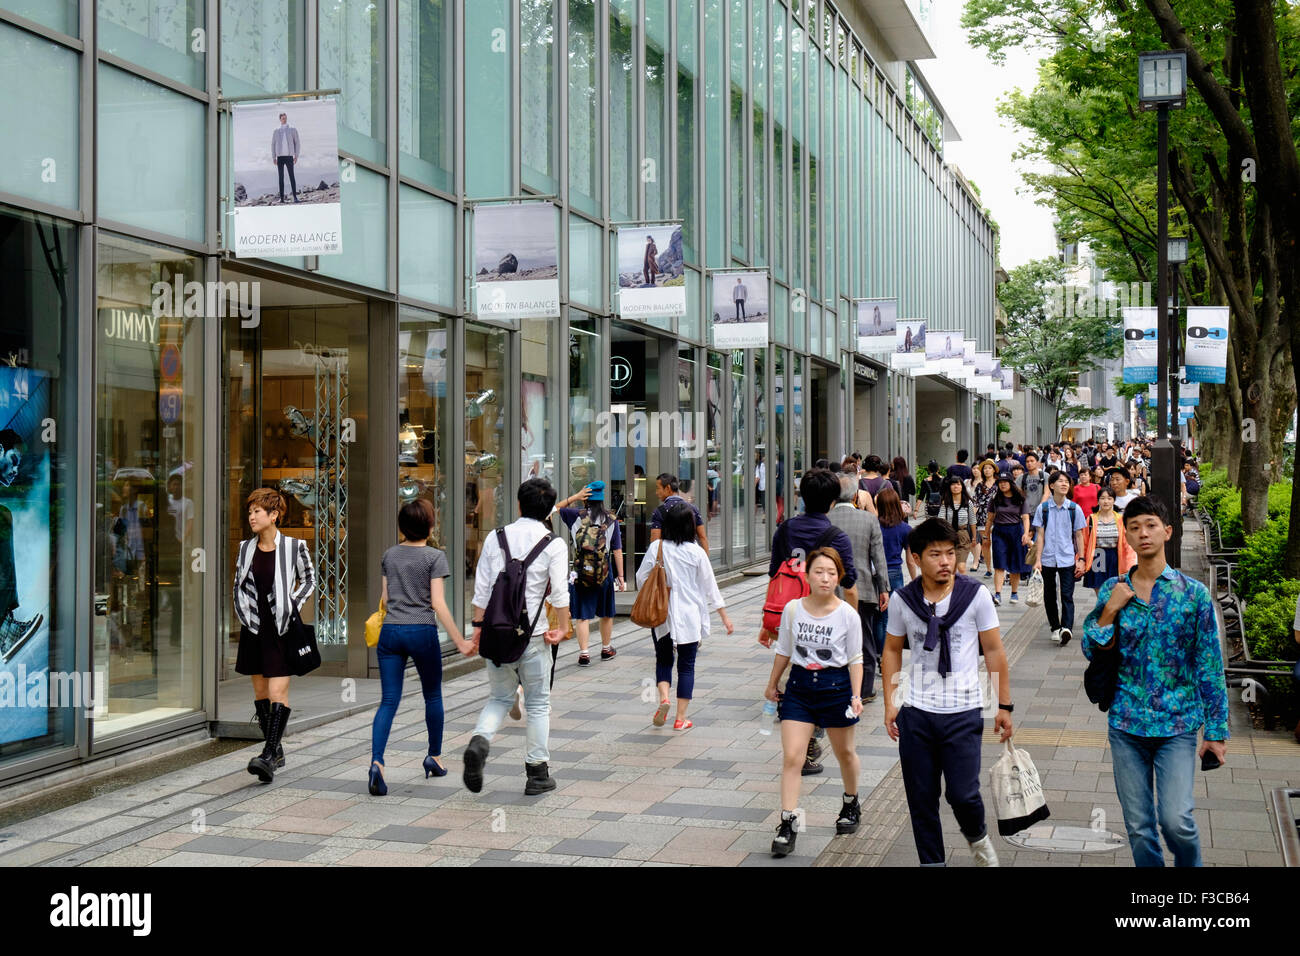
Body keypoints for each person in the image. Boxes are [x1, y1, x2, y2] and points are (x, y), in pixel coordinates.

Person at [1081, 495, 1228, 867]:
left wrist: (1216, 731)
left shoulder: (1192, 595)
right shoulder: (1113, 590)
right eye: (1134, 528)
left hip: (1177, 725)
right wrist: (1111, 609)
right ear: (1126, 537)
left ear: (1167, 531)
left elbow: (1210, 666)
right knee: (1139, 826)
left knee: (1176, 821)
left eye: (1150, 525)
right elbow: (1089, 647)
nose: (1143, 534)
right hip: (1126, 723)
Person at [883, 519, 1013, 867]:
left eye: (950, 553)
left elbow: (995, 651)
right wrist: (892, 702)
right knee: (921, 798)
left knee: (963, 794)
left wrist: (1004, 704)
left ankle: (978, 838)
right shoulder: (903, 600)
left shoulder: (975, 595)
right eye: (935, 554)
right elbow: (892, 649)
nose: (945, 561)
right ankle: (932, 862)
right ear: (915, 557)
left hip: (964, 710)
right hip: (917, 712)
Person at [463, 479, 572, 796]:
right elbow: (561, 592)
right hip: (535, 638)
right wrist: (563, 628)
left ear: (519, 505)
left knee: (498, 698)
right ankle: (537, 774)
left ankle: (480, 741)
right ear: (549, 510)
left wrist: (478, 628)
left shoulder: (495, 538)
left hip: (497, 636)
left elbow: (481, 590)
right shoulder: (554, 544)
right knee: (538, 704)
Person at [369, 501, 474, 796]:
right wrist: (460, 641)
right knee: (432, 695)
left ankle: (377, 762)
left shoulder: (389, 555)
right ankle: (434, 757)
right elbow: (438, 604)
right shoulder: (434, 557)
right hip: (421, 630)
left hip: (391, 631)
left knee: (388, 701)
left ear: (402, 526)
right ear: (430, 526)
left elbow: (386, 596)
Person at [765, 548, 865, 856]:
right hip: (799, 687)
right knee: (793, 757)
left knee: (845, 752)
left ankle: (851, 802)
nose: (826, 578)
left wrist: (857, 694)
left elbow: (856, 658)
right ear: (807, 575)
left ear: (839, 578)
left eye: (832, 573)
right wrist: (771, 684)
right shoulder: (794, 609)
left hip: (836, 687)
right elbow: (784, 649)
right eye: (819, 572)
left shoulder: (848, 614)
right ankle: (788, 822)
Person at [761, 468, 860, 775]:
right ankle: (812, 735)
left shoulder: (786, 529)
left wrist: (768, 621)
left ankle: (802, 738)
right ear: (833, 501)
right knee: (824, 675)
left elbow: (775, 575)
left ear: (801, 497)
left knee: (798, 670)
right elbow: (851, 582)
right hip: (827, 618)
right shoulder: (836, 537)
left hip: (790, 613)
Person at [233, 487, 316, 783]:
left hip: (282, 629)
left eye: (257, 511)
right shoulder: (245, 548)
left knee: (278, 692)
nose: (251, 516)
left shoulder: (294, 547)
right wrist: (243, 610)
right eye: (250, 511)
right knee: (260, 694)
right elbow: (239, 583)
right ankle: (276, 750)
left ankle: (268, 755)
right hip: (254, 628)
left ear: (274, 515)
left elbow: (309, 579)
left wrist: (293, 602)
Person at [639, 503, 733, 730]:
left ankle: (664, 699)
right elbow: (711, 587)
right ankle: (681, 719)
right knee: (687, 666)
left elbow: (641, 577)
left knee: (663, 660)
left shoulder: (657, 548)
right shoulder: (697, 552)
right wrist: (724, 616)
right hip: (690, 616)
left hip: (662, 615)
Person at [830, 474, 891, 702]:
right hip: (863, 588)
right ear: (856, 495)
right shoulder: (869, 520)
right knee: (864, 639)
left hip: (830, 592)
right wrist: (884, 588)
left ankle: (837, 685)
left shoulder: (825, 519)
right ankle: (864, 690)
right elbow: (878, 557)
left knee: (833, 638)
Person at [555, 482, 624, 666]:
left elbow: (554, 509)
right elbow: (617, 550)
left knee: (582, 615)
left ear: (586, 498)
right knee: (606, 613)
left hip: (580, 571)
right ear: (602, 498)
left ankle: (584, 653)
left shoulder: (574, 515)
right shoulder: (611, 519)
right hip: (604, 570)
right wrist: (621, 577)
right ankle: (606, 648)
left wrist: (574, 497)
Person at [1030, 471, 1087, 646]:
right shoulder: (1043, 509)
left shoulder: (1074, 508)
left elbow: (1079, 535)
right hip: (1047, 558)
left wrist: (1082, 558)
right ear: (1052, 486)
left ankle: (1066, 628)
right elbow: (1040, 536)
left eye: (1066, 482)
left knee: (1067, 594)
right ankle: (1055, 627)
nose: (1064, 484)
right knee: (1049, 594)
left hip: (1067, 557)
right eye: (1060, 481)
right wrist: (1037, 560)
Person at [1081, 486, 1136, 595]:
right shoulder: (1091, 519)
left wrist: (1130, 564)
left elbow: (1127, 544)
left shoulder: (1120, 519)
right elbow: (1084, 542)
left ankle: (1109, 612)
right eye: (1102, 498)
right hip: (1097, 557)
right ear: (1098, 500)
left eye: (1109, 498)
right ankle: (1102, 611)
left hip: (1115, 558)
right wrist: (1081, 560)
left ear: (1114, 500)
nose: (1106, 501)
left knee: (1113, 593)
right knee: (1100, 594)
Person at [985, 474, 1029, 607]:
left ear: (1011, 483)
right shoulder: (995, 498)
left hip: (1016, 531)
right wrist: (986, 534)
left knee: (1015, 565)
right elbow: (990, 518)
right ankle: (997, 594)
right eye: (1000, 482)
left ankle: (1014, 592)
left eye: (1005, 482)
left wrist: (1026, 534)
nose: (1003, 484)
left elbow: (1025, 517)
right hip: (999, 531)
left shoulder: (1020, 499)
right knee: (999, 563)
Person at [876, 484, 918, 595]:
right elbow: (910, 561)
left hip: (875, 571)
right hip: (894, 571)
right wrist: (915, 580)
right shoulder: (905, 528)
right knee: (894, 608)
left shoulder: (872, 525)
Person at [650, 473, 708, 551]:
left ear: (667, 488)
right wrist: (706, 559)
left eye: (658, 488)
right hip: (690, 555)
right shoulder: (693, 509)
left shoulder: (659, 511)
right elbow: (702, 537)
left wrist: (655, 560)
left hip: (668, 558)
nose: (656, 492)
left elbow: (655, 541)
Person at [938, 473, 978, 572]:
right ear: (949, 487)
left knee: (961, 567)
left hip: (963, 535)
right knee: (951, 567)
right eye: (953, 484)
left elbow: (972, 520)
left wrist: (974, 537)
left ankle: (963, 587)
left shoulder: (967, 502)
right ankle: (953, 586)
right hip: (949, 535)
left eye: (958, 484)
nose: (956, 486)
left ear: (962, 487)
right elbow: (941, 520)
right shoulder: (945, 502)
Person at [972, 459, 999, 577]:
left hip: (998, 518)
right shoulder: (980, 486)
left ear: (994, 470)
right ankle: (989, 568)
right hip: (982, 517)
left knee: (998, 543)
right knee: (986, 543)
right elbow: (976, 502)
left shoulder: (999, 483)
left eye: (989, 468)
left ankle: (999, 567)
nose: (987, 470)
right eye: (985, 468)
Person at [271, 111, 301, 204]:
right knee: (281, 178)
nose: (284, 119)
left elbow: (297, 143)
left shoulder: (292, 130)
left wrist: (296, 155)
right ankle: (282, 198)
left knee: (292, 176)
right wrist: (274, 157)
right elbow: (273, 144)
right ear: (280, 119)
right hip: (280, 157)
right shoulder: (276, 131)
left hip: (289, 157)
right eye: (283, 118)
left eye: (285, 118)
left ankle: (295, 197)